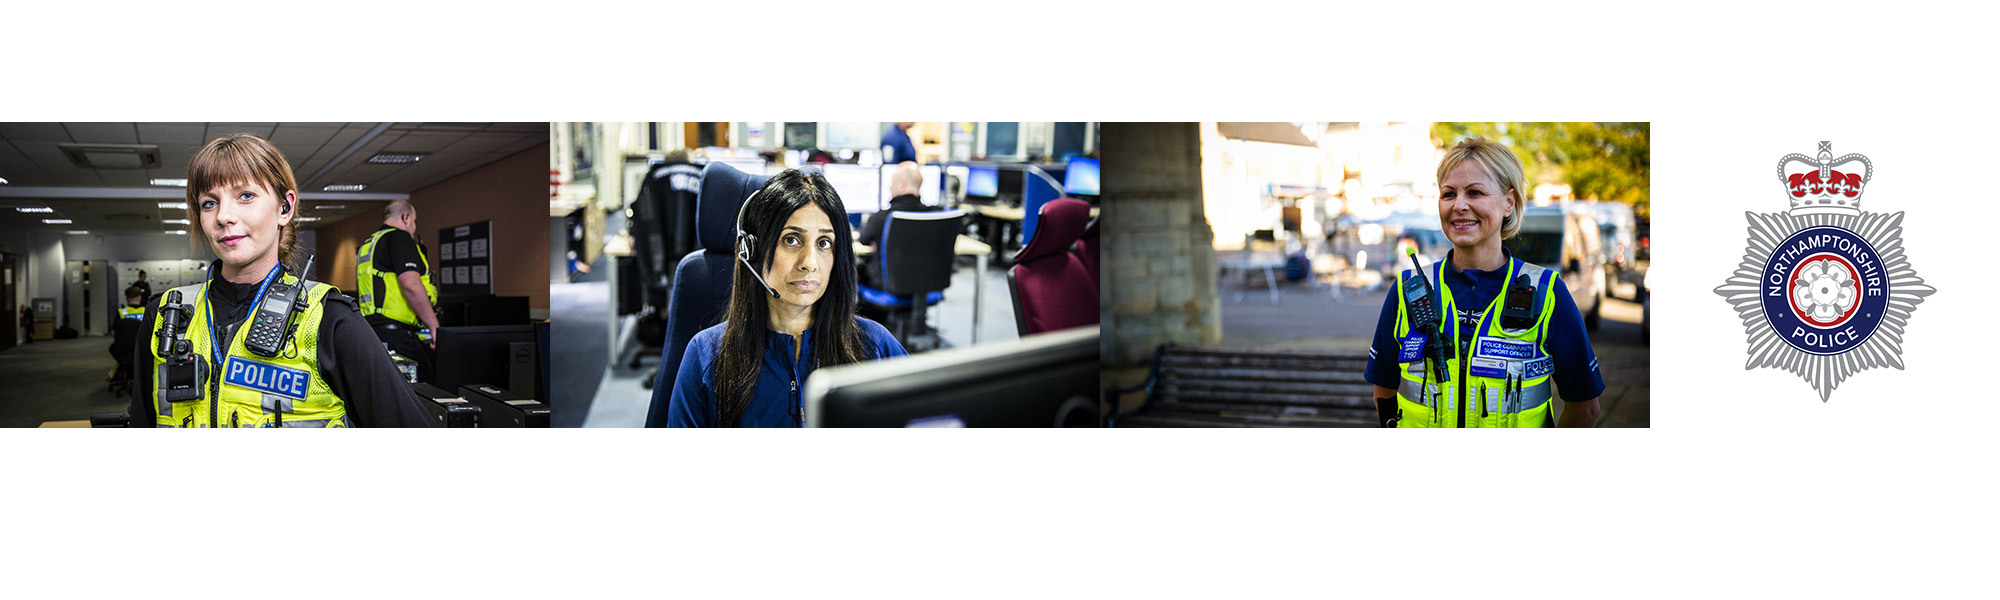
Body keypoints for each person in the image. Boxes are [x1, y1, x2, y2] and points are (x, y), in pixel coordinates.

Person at [128, 133, 434, 427]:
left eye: (245, 196)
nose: (223, 216)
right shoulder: (165, 315)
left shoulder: (329, 319)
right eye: (209, 203)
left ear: (284, 207)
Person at [1363, 138, 1604, 428]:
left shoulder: (1547, 292)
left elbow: (1585, 408)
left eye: (1475, 192)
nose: (1459, 205)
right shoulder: (1407, 289)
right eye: (1448, 194)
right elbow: (1384, 393)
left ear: (1509, 202)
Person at [660, 168, 908, 427]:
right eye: (791, 240)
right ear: (752, 250)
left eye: (824, 243)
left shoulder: (875, 345)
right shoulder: (706, 355)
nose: (810, 263)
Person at [355, 199, 440, 382]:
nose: (414, 227)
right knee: (424, 390)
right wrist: (434, 327)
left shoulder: (370, 243)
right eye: (414, 221)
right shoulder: (400, 238)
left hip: (372, 333)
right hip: (399, 336)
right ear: (406, 217)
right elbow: (411, 285)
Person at [855, 162, 936, 289]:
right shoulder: (935, 216)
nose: (890, 188)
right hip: (926, 286)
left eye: (892, 184)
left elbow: (863, 240)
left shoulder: (882, 217)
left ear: (902, 184)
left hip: (885, 284)